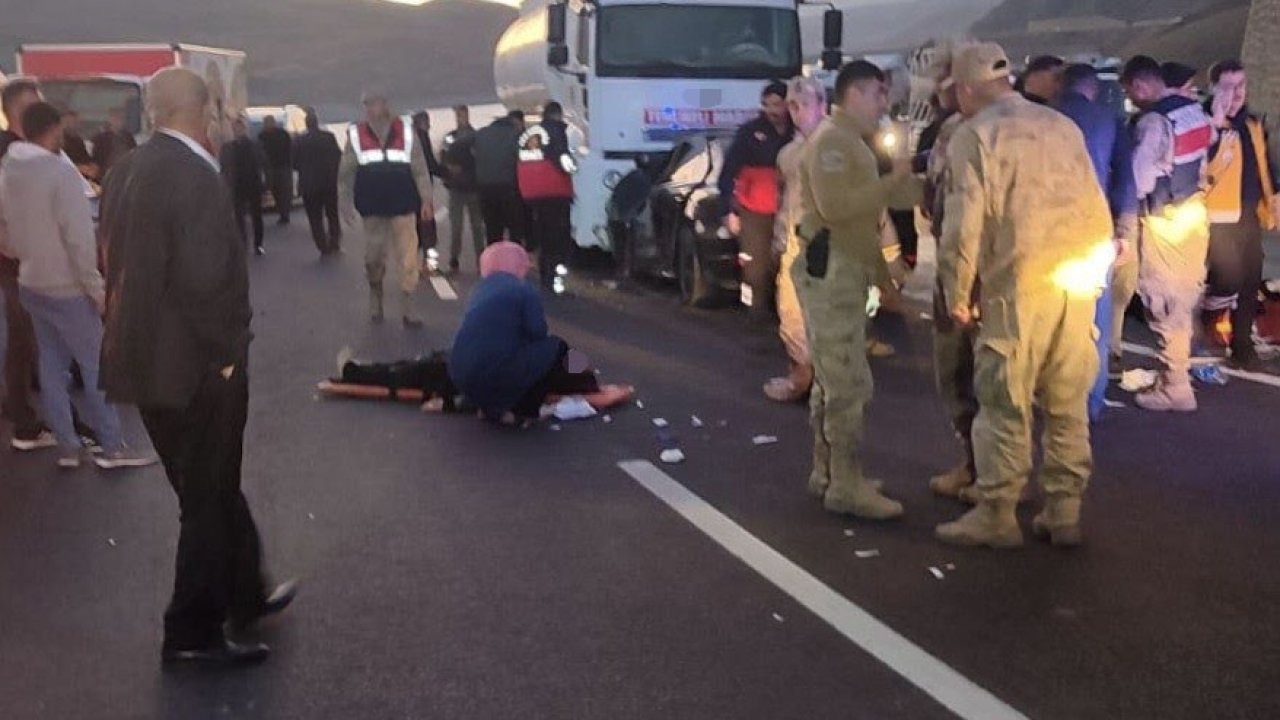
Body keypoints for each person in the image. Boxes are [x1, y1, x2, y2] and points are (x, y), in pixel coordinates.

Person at [99, 67, 295, 668]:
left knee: (206, 486)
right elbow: (207, 282)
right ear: (206, 110)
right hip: (196, 368)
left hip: (145, 364)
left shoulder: (127, 169)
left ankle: (246, 592)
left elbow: (109, 257)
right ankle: (190, 632)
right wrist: (229, 355)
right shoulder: (195, 175)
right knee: (205, 498)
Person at [935, 42, 1113, 549]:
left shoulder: (978, 135)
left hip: (1018, 287)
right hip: (1075, 286)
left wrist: (958, 294)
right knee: (1066, 401)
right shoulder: (1062, 126)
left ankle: (997, 511)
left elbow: (962, 230)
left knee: (1004, 403)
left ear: (967, 90)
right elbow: (1095, 206)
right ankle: (1063, 510)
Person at [794, 60, 920, 519]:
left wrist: (882, 276)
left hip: (845, 271)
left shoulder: (851, 143)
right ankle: (845, 486)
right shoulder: (833, 142)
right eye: (877, 94)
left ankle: (829, 472)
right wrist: (892, 182)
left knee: (834, 379)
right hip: (832, 275)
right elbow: (837, 208)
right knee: (846, 383)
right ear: (855, 94)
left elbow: (866, 220)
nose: (883, 104)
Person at [0, 102, 154, 469]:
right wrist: (96, 288)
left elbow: (6, 228)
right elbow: (78, 238)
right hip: (66, 284)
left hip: (30, 281)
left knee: (52, 366)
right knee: (95, 363)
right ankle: (113, 447)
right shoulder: (60, 173)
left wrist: (24, 252)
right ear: (54, 130)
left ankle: (69, 446)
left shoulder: (8, 171)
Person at [1122, 55, 1213, 411]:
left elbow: (1140, 180)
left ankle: (1175, 387)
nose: (1132, 98)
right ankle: (1176, 376)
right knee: (1186, 295)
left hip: (1165, 221)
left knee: (1162, 299)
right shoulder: (1191, 112)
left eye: (1130, 91)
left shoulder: (1154, 122)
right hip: (1193, 213)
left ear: (1140, 85)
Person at [1055, 64, 1139, 422]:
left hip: (1050, 231)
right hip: (1094, 230)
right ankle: (1091, 400)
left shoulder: (1046, 116)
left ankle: (1052, 395)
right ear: (1092, 89)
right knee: (1096, 320)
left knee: (1051, 318)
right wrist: (1126, 233)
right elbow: (1126, 180)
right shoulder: (1108, 120)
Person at [449, 241, 599, 425]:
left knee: (506, 359)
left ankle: (490, 408)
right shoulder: (523, 290)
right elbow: (538, 332)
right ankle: (527, 408)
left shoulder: (479, 290)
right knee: (555, 346)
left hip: (458, 373)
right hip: (494, 372)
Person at [921, 53, 982, 502]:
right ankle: (980, 465)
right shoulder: (948, 130)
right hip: (961, 260)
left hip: (974, 267)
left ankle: (990, 474)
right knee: (961, 373)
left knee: (971, 373)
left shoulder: (976, 132)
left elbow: (960, 212)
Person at [1202, 59, 1278, 371]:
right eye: (1228, 87)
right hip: (1215, 218)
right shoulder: (1205, 123)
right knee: (1227, 278)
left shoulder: (1252, 124)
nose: (1236, 94)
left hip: (1248, 214)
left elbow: (1265, 166)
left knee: (1249, 282)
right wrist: (1217, 128)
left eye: (1241, 86)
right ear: (1214, 88)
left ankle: (1242, 346)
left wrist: (1273, 196)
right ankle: (1206, 316)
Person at [339, 89, 433, 327]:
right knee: (373, 258)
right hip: (372, 207)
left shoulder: (407, 132)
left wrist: (426, 200)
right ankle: (376, 297)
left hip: (403, 205)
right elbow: (346, 173)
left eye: (373, 103)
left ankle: (409, 308)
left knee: (408, 259)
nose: (369, 109)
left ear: (385, 104)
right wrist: (345, 201)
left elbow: (420, 169)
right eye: (366, 105)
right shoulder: (356, 134)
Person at [764, 76, 827, 403]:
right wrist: (778, 242)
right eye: (793, 106)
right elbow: (784, 202)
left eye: (804, 105)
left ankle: (816, 384)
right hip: (793, 247)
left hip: (826, 250)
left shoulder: (836, 148)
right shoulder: (788, 153)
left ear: (822, 105)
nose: (798, 112)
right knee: (791, 317)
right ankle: (802, 377)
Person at [0, 78, 55, 451]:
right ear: (18, 109)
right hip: (15, 260)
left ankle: (27, 414)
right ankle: (24, 423)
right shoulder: (12, 152)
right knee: (22, 338)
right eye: (34, 104)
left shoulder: (21, 150)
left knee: (25, 338)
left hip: (23, 256)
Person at [720, 81, 795, 321]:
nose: (773, 110)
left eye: (778, 104)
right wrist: (729, 210)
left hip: (790, 207)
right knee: (756, 266)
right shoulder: (750, 133)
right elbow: (728, 172)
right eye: (768, 104)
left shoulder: (800, 132)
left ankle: (785, 312)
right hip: (755, 209)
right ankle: (755, 312)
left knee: (787, 262)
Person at [517, 101, 577, 292]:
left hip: (533, 192)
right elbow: (562, 158)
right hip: (555, 192)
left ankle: (544, 274)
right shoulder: (557, 131)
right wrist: (572, 168)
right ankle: (556, 276)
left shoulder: (530, 134)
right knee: (558, 236)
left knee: (542, 233)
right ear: (558, 115)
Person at [292, 109, 343, 256]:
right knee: (332, 214)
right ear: (317, 122)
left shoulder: (299, 141)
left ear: (306, 124)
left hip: (309, 185)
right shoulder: (329, 137)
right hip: (328, 182)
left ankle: (322, 246)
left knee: (315, 218)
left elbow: (294, 163)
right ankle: (335, 242)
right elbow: (337, 157)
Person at [473, 110, 526, 246]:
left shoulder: (482, 133)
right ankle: (515, 261)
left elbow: (458, 146)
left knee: (492, 231)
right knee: (515, 230)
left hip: (485, 190)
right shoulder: (515, 135)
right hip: (508, 189)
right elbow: (523, 158)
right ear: (516, 123)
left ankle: (494, 261)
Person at [441, 105, 484, 273]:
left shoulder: (475, 137)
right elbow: (444, 160)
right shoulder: (451, 137)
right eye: (458, 116)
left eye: (462, 115)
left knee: (477, 227)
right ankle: (454, 259)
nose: (460, 118)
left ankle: (481, 259)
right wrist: (448, 175)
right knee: (457, 227)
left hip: (472, 187)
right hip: (458, 188)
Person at [219, 118, 267, 255]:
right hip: (236, 185)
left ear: (244, 129)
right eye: (235, 128)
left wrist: (265, 184)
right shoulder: (227, 147)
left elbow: (263, 163)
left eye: (239, 128)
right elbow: (223, 167)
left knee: (256, 216)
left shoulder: (255, 145)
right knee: (239, 216)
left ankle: (258, 244)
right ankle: (242, 243)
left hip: (253, 184)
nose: (237, 131)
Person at [411, 111, 445, 260]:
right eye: (427, 122)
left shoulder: (408, 137)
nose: (430, 125)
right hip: (422, 189)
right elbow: (429, 163)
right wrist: (447, 174)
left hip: (408, 189)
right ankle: (430, 263)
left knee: (413, 228)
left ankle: (411, 263)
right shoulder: (422, 137)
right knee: (427, 229)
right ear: (422, 123)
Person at [258, 115, 293, 226]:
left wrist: (290, 164)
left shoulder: (283, 134)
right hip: (270, 168)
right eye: (266, 123)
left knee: (284, 191)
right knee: (275, 190)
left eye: (268, 122)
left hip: (283, 166)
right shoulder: (262, 136)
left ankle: (285, 214)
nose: (267, 125)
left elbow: (290, 149)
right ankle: (282, 212)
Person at [90, 107, 136, 180]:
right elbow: (96, 159)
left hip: (124, 175)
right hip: (105, 175)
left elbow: (133, 155)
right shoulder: (100, 138)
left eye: (120, 118)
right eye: (115, 118)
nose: (117, 121)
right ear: (110, 120)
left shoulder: (128, 137)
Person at [60, 110, 95, 178]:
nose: (71, 125)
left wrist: (91, 166)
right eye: (67, 122)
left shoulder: (78, 141)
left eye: (73, 122)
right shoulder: (58, 141)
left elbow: (85, 158)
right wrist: (78, 167)